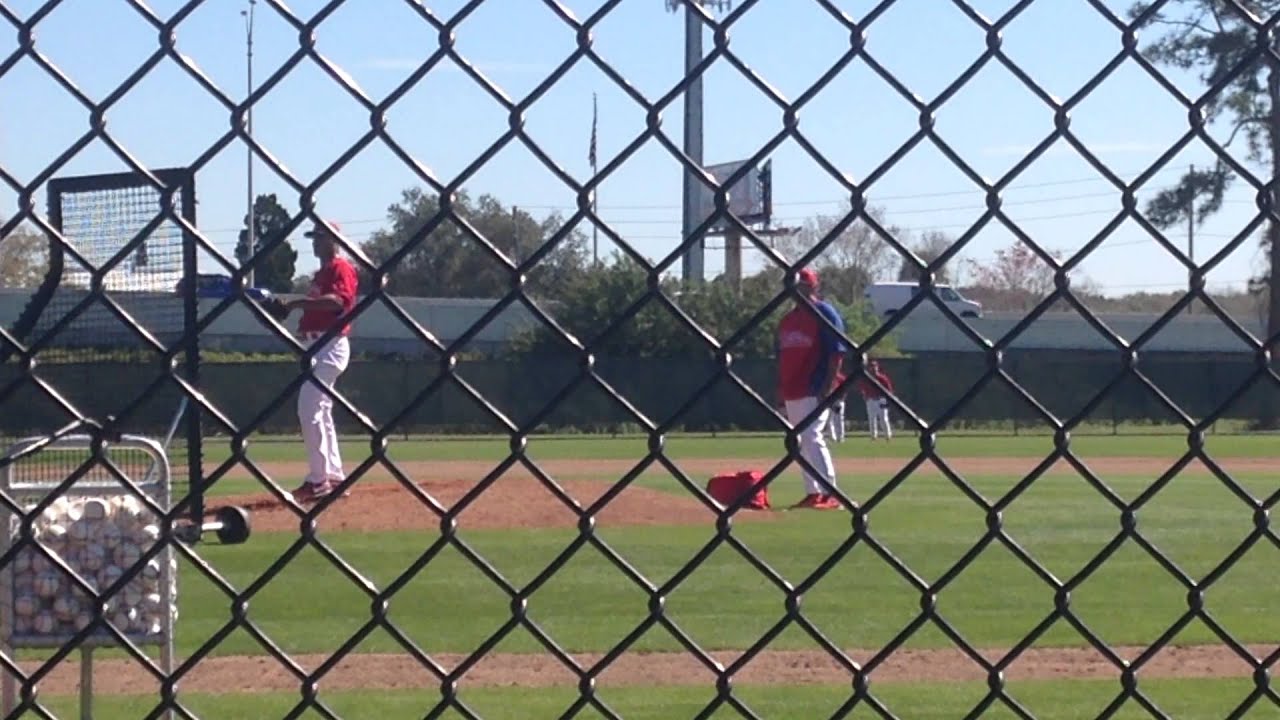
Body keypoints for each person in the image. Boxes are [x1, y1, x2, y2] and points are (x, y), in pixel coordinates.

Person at [277, 219, 359, 504]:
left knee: (308, 408)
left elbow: (338, 303)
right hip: (317, 346)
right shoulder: (321, 272)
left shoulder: (340, 267)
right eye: (314, 237)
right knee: (320, 411)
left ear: (334, 241)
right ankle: (333, 477)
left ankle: (318, 481)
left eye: (321, 237)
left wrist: (297, 303)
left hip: (330, 344)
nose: (315, 242)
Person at [775, 267, 847, 510]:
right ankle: (813, 492)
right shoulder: (787, 320)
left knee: (812, 437)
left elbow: (836, 352)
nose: (799, 292)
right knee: (801, 442)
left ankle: (830, 493)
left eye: (804, 286)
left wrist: (828, 386)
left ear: (814, 287)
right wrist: (780, 391)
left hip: (815, 387)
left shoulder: (825, 313)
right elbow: (782, 359)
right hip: (792, 389)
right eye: (795, 287)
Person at [855, 358, 895, 441]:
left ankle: (888, 436)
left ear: (877, 367)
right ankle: (873, 436)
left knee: (883, 418)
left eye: (874, 366)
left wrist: (888, 400)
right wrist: (865, 396)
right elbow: (862, 388)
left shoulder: (882, 378)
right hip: (871, 400)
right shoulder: (866, 378)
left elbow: (889, 390)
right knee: (872, 419)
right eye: (871, 366)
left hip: (881, 400)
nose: (873, 368)